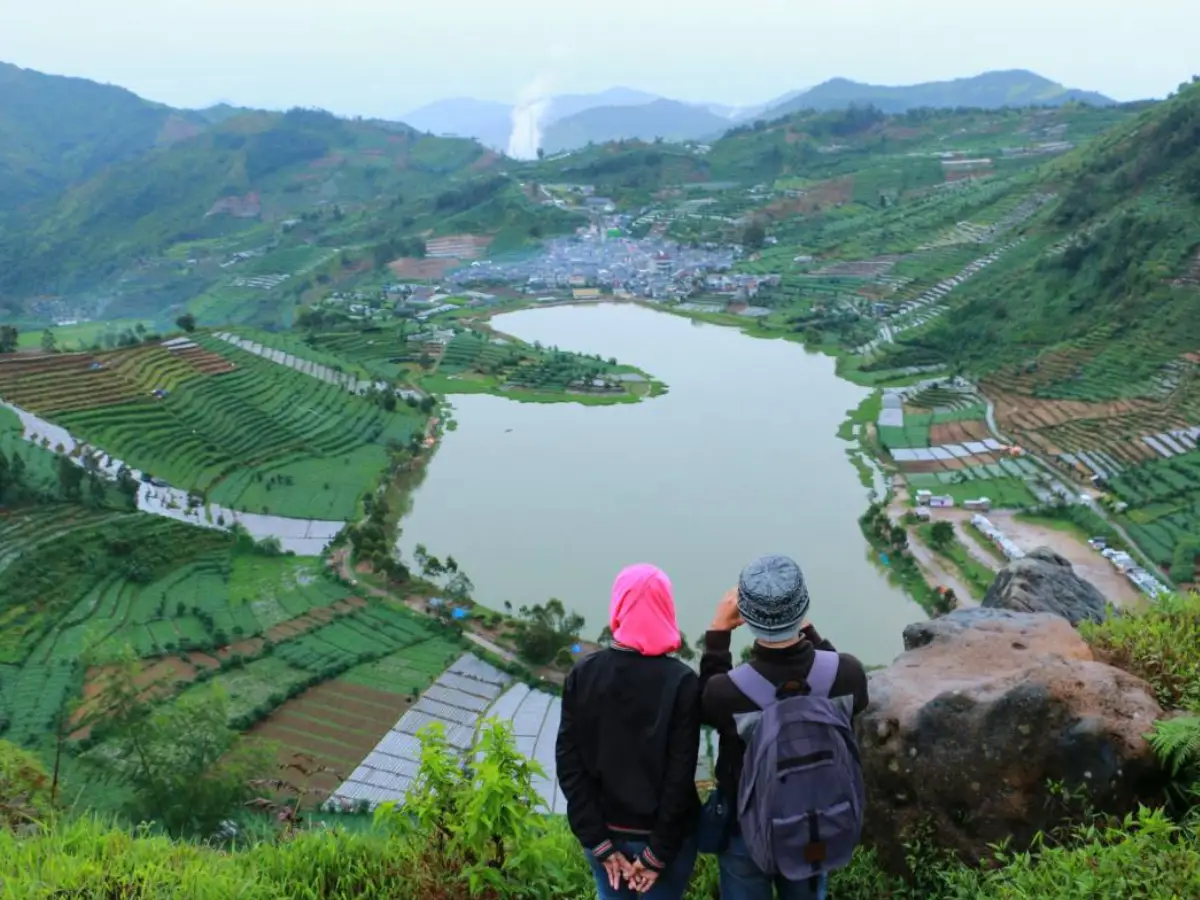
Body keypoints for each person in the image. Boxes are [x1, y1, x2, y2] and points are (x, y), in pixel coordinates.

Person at [699, 554, 869, 900]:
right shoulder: (848, 673)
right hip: (817, 819)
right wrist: (807, 628)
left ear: (745, 616)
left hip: (744, 827)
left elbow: (704, 705)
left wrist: (718, 633)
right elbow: (834, 669)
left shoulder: (725, 691)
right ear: (803, 607)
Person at [556, 563, 702, 898]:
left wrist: (598, 842)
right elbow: (680, 776)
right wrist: (656, 854)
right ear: (666, 608)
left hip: (605, 830)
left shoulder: (584, 674)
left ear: (619, 607)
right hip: (665, 839)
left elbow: (568, 762)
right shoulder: (682, 682)